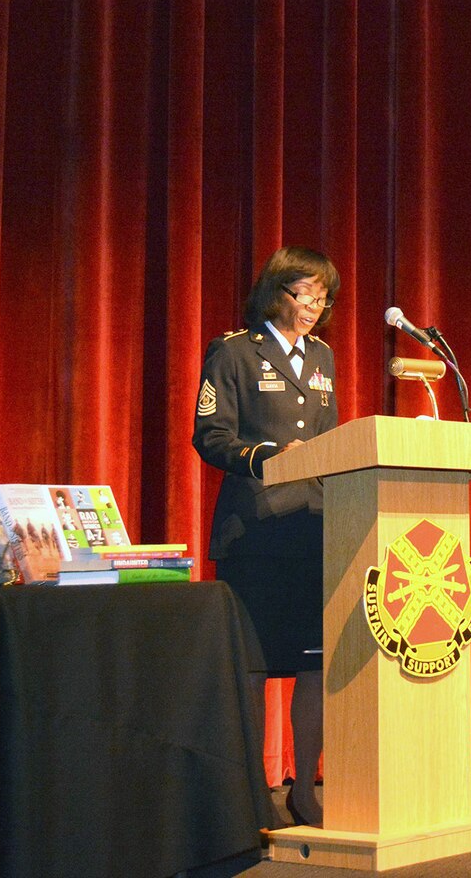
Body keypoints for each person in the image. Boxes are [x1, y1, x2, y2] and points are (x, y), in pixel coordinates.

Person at [193, 246, 341, 828]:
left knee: (314, 666)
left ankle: (304, 789)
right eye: (303, 293)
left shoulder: (324, 358)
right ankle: (253, 794)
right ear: (275, 292)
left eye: (322, 296)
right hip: (254, 533)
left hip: (313, 530)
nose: (313, 306)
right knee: (254, 668)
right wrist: (276, 457)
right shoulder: (233, 352)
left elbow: (331, 441)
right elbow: (211, 436)